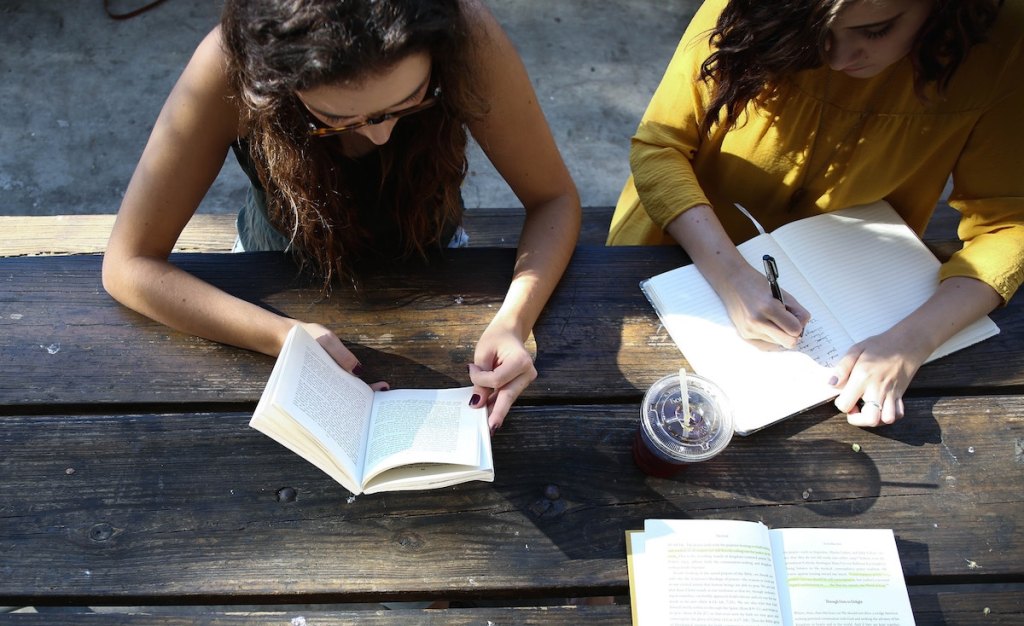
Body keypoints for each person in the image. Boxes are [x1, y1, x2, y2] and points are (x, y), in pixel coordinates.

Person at [102, 0, 581, 432]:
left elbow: (553, 199)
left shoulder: (465, 33)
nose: (380, 136)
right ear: (274, 83)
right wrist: (284, 337)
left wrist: (514, 321)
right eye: (337, 120)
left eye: (411, 100)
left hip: (434, 258)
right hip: (272, 273)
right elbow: (129, 265)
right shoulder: (230, 65)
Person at [608, 0, 1023, 427]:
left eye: (876, 30)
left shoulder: (1003, 43)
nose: (839, 58)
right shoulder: (750, 8)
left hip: (863, 295)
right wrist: (731, 276)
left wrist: (911, 342)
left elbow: (1010, 225)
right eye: (818, 31)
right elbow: (661, 147)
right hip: (675, 247)